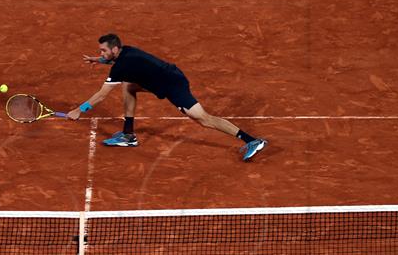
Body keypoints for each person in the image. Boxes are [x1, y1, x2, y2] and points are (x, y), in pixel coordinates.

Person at [67, 34, 266, 161]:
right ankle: (128, 135)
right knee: (128, 86)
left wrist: (79, 110)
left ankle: (251, 140)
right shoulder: (125, 52)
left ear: (115, 49)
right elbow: (113, 62)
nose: (101, 53)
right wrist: (99, 60)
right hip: (167, 77)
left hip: (173, 85)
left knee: (204, 120)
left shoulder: (121, 66)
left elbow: (102, 95)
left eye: (103, 50)